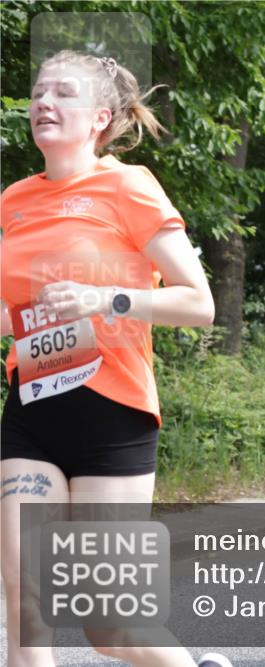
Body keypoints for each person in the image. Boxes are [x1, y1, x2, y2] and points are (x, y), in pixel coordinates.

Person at [0, 51, 226, 667]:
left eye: (63, 93)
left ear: (101, 116)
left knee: (111, 628)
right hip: (32, 411)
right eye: (39, 91)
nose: (44, 102)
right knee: (26, 612)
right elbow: (9, 313)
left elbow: (199, 303)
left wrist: (104, 298)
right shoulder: (13, 200)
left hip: (113, 413)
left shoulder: (128, 185)